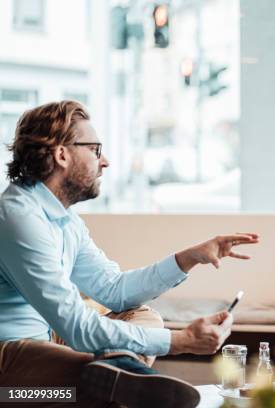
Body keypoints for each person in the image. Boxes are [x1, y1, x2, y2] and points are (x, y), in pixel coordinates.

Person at [0, 101, 259, 408]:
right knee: (89, 364)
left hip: (52, 341)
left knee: (143, 317)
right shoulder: (17, 217)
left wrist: (189, 258)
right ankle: (117, 376)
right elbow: (76, 327)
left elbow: (115, 290)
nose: (105, 161)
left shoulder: (66, 220)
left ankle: (115, 374)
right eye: (95, 149)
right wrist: (179, 342)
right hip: (11, 362)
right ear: (61, 154)